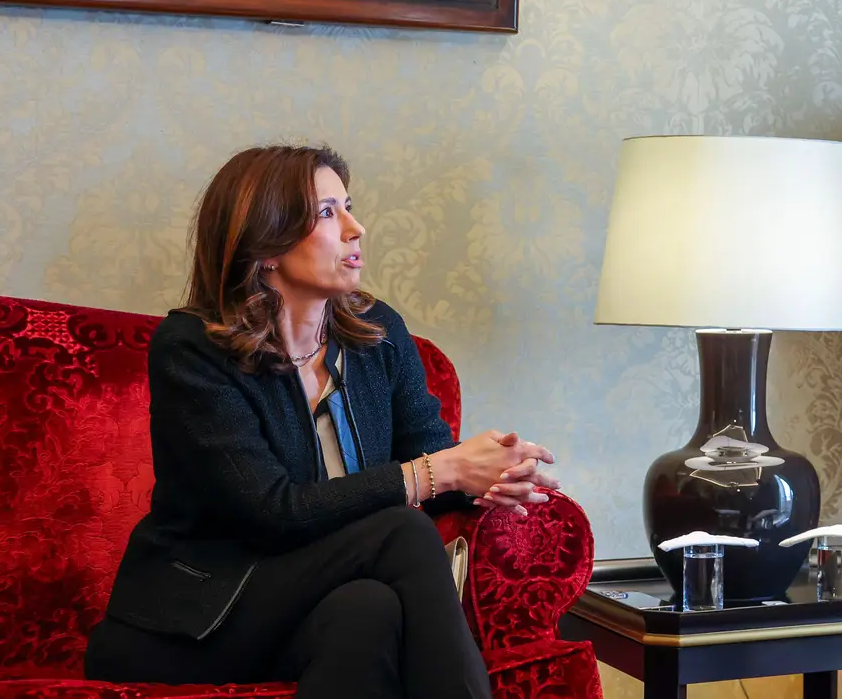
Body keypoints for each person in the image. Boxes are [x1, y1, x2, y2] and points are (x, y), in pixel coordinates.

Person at [85, 145, 560, 698]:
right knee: (400, 530)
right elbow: (270, 511)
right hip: (198, 618)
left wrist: (495, 476)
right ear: (264, 245)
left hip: (314, 607)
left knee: (369, 611)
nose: (356, 228)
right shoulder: (192, 350)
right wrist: (443, 471)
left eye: (349, 207)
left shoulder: (376, 335)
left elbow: (432, 458)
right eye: (328, 213)